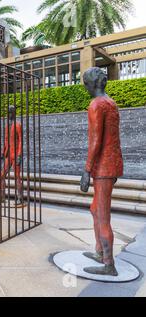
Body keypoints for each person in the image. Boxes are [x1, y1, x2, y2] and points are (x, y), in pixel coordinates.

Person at [80, 67, 124, 276]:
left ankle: (108, 263)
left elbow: (96, 141)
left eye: (85, 84)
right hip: (111, 164)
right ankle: (99, 251)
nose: (85, 88)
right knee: (94, 208)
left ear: (91, 84)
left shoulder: (96, 105)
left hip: (103, 167)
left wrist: (86, 170)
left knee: (102, 214)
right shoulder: (111, 103)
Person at [0, 105, 23, 205]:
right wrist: (2, 152)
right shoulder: (7, 126)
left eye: (10, 112)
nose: (9, 114)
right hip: (8, 155)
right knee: (2, 175)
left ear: (13, 113)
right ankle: (2, 197)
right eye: (8, 112)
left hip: (15, 154)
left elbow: (21, 140)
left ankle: (20, 198)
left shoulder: (17, 125)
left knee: (17, 177)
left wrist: (19, 155)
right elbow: (6, 140)